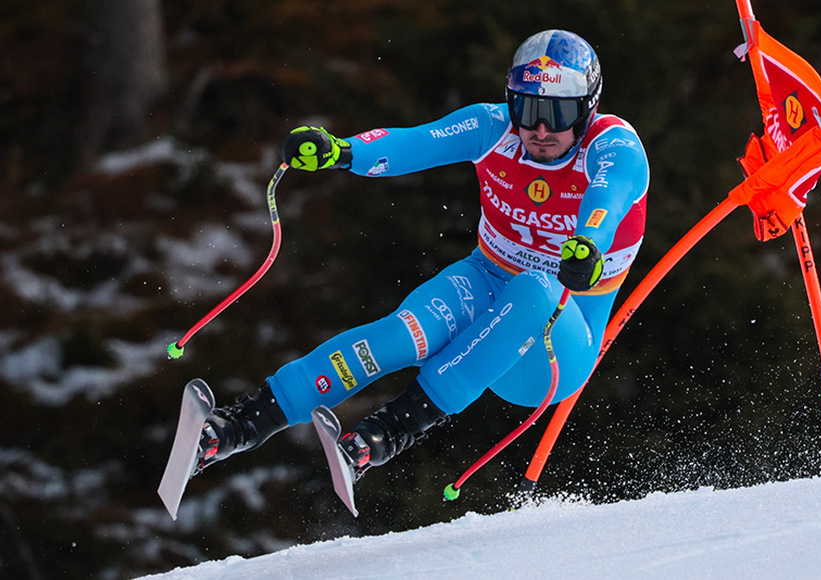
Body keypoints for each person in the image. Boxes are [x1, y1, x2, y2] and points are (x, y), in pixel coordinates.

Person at [193, 29, 650, 484]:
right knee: (398, 336)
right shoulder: (493, 128)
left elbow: (610, 194)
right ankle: (238, 427)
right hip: (487, 281)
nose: (540, 130)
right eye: (528, 110)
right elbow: (416, 142)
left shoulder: (614, 145)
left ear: (588, 107)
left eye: (558, 113)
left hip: (554, 349)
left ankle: (392, 430)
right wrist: (341, 151)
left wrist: (588, 243)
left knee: (537, 286)